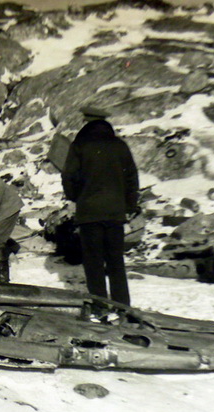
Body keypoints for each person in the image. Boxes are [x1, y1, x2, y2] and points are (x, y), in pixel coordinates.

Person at [61, 107, 139, 309]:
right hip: (115, 212)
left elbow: (68, 176)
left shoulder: (79, 145)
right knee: (116, 261)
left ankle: (100, 306)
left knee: (93, 261)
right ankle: (122, 306)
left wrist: (77, 197)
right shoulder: (120, 145)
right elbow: (131, 177)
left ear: (86, 121)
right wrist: (129, 205)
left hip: (89, 212)